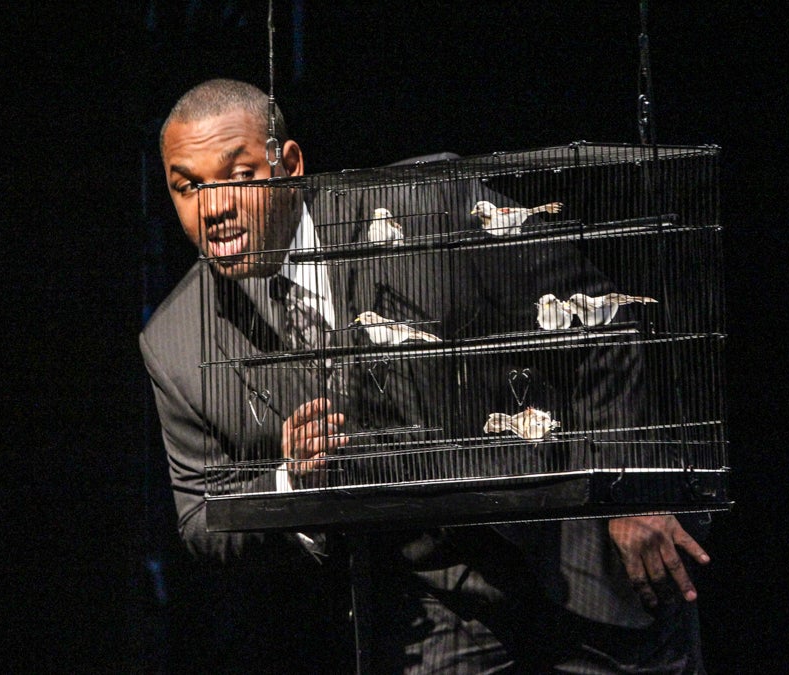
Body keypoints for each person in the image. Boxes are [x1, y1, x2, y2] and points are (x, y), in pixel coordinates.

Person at [141, 78, 713, 673]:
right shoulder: (176, 343)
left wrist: (629, 491)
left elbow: (599, 316)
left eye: (239, 177)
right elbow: (201, 518)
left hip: (576, 548)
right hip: (425, 604)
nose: (214, 208)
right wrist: (292, 484)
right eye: (189, 186)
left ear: (289, 165)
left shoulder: (427, 206)